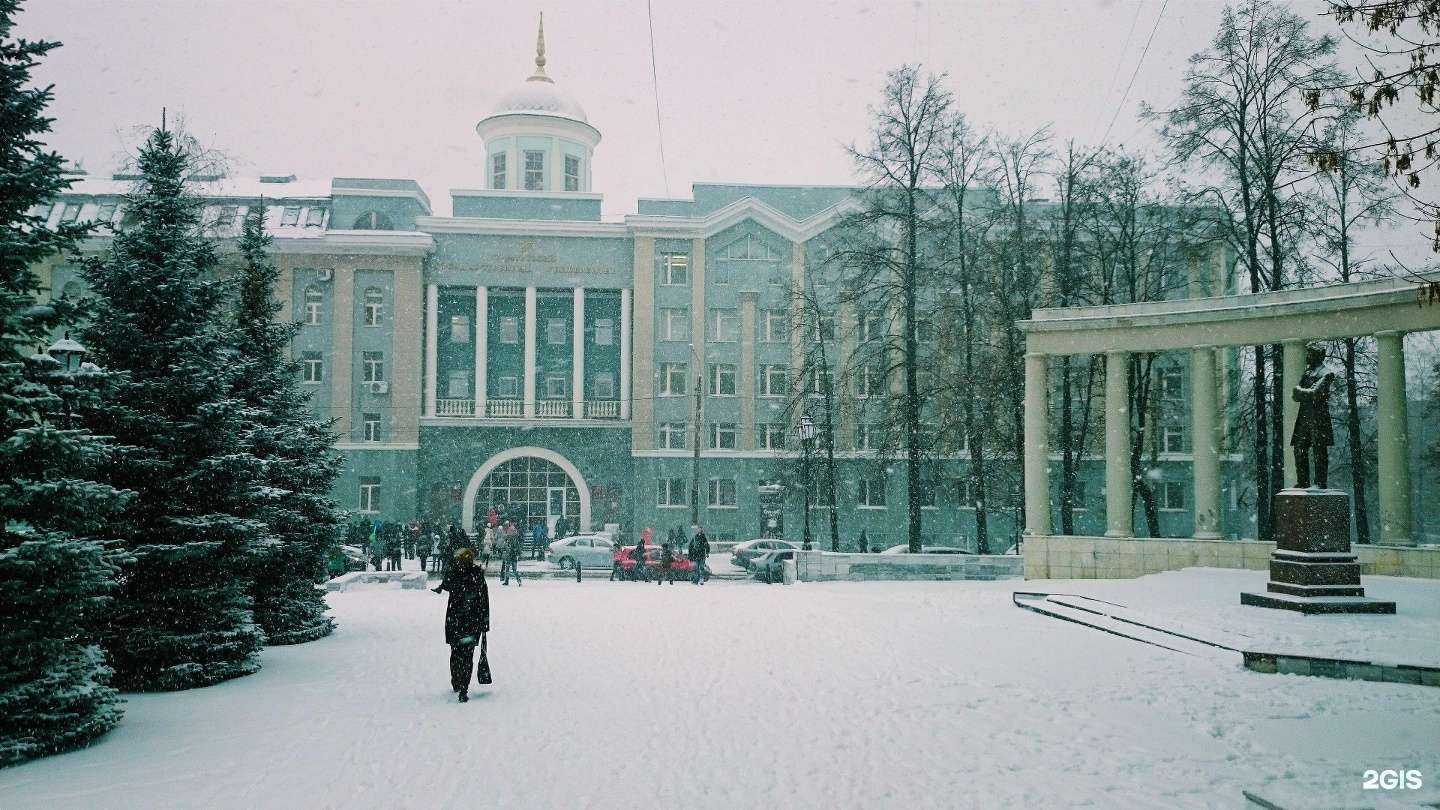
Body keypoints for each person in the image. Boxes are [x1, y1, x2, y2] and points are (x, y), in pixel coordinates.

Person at [433, 547, 489, 703]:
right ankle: (463, 686)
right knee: (467, 656)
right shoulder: (476, 575)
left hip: (456, 622)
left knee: (456, 653)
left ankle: (457, 682)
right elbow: (484, 599)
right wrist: (484, 623)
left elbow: (447, 584)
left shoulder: (455, 574)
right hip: (471, 622)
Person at [1291, 342, 1336, 489]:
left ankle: (1320, 482)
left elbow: (1314, 393)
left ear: (1317, 355)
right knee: (1299, 448)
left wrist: (1301, 391)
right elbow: (1295, 396)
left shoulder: (1326, 373)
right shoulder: (1307, 373)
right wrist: (1303, 393)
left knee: (1319, 450)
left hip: (1319, 417)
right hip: (1304, 417)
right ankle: (1303, 482)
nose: (1307, 357)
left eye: (1310, 354)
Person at [500, 521, 522, 586]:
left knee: (508, 569)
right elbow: (517, 549)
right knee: (513, 569)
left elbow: (505, 547)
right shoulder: (514, 540)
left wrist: (504, 550)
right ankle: (517, 580)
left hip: (509, 556)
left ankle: (508, 581)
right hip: (512, 556)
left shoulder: (510, 539)